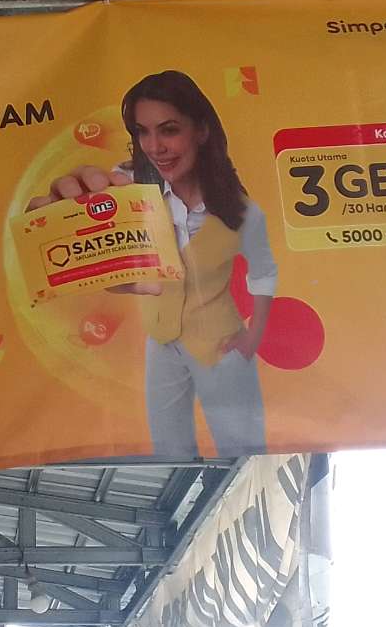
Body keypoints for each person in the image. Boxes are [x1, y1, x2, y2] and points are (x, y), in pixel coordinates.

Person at [29, 71, 276, 456]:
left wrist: (253, 335)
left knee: (241, 450)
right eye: (142, 132)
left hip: (220, 346)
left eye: (169, 130)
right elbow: (91, 238)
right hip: (160, 342)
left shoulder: (244, 212)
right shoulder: (128, 191)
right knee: (168, 450)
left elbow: (264, 273)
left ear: (202, 131)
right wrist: (61, 224)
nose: (155, 147)